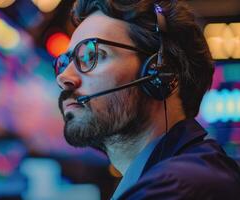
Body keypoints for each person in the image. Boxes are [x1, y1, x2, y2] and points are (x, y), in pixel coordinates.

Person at [54, 0, 240, 199]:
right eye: (65, 62)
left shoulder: (175, 188)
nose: (64, 77)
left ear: (161, 74)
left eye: (92, 56)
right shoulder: (178, 174)